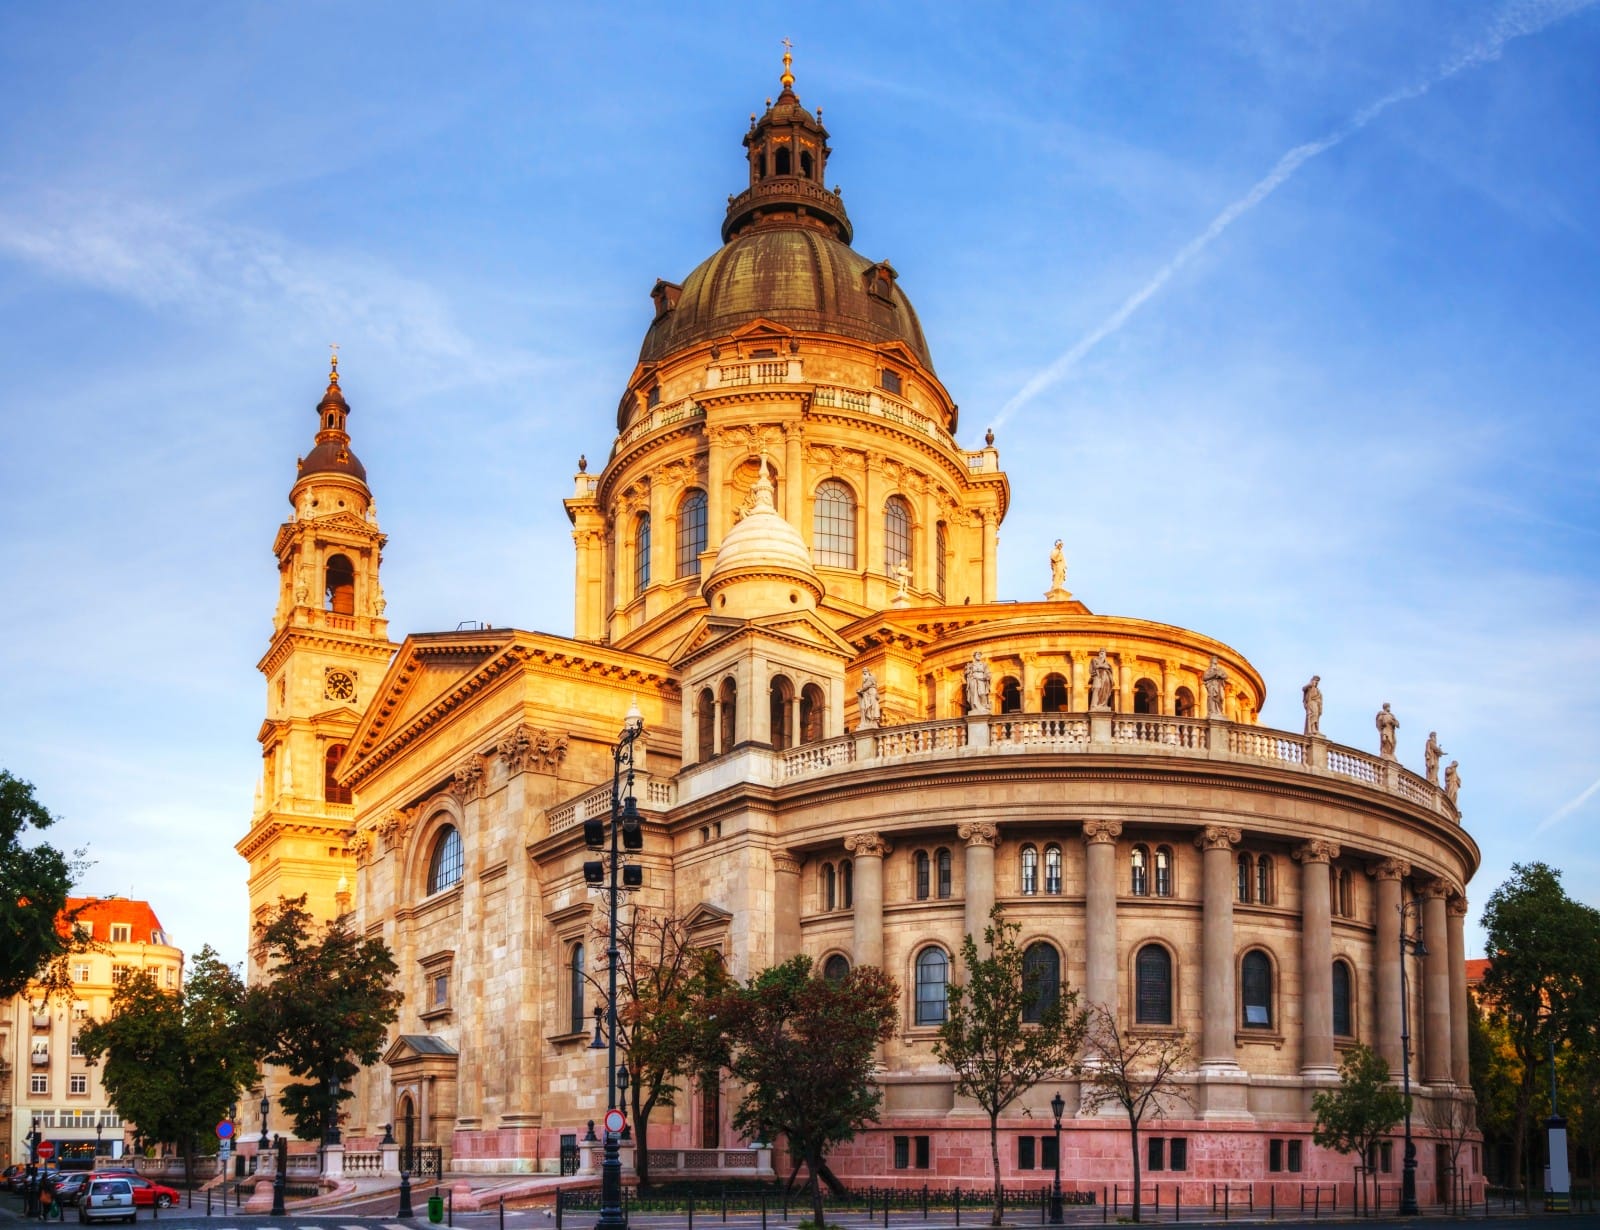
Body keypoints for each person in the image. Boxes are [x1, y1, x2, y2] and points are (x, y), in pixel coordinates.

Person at [963, 651, 991, 715]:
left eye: (980, 655)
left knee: (982, 693)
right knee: (973, 694)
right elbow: (966, 673)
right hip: (973, 680)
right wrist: (967, 672)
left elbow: (987, 672)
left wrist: (987, 676)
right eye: (977, 655)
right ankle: (974, 708)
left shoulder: (984, 664)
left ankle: (983, 707)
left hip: (982, 679)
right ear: (974, 656)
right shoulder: (970, 665)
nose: (979, 656)